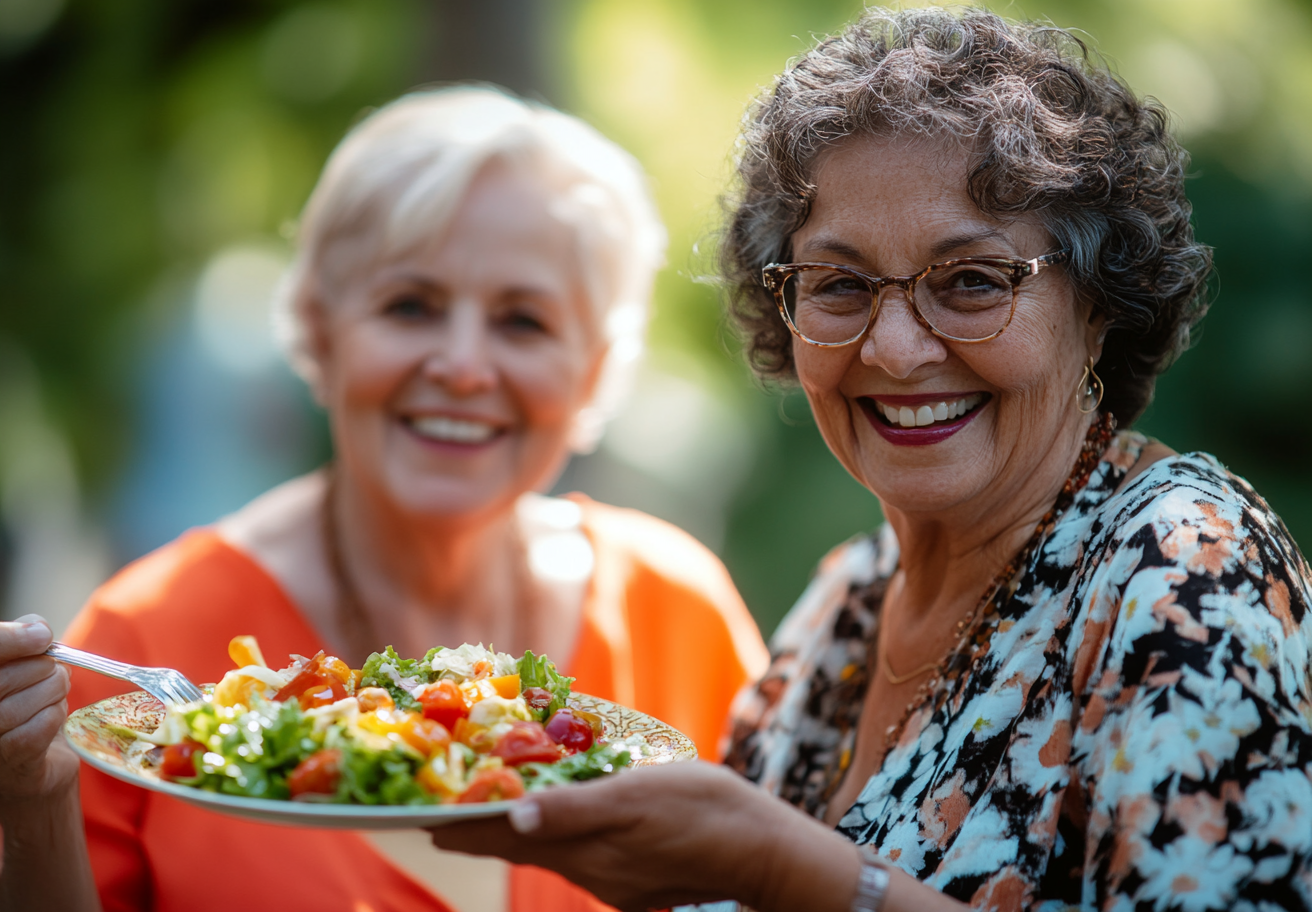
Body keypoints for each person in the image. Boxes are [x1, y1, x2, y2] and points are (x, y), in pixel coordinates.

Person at [426, 9, 1312, 911]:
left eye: (972, 281)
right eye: (840, 285)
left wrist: (786, 872)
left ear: (1098, 309)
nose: (892, 348)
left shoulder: (1182, 566)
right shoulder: (841, 609)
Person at [0, 87, 767, 912]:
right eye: (411, 306)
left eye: (523, 322)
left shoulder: (677, 608)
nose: (463, 366)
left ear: (592, 374)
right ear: (317, 332)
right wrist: (36, 802)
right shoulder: (143, 637)